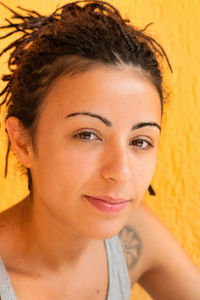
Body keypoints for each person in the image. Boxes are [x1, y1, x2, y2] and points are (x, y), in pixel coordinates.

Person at [0, 1, 199, 299]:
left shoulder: (133, 235)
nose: (121, 172)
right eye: (87, 135)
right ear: (22, 142)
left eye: (140, 142)